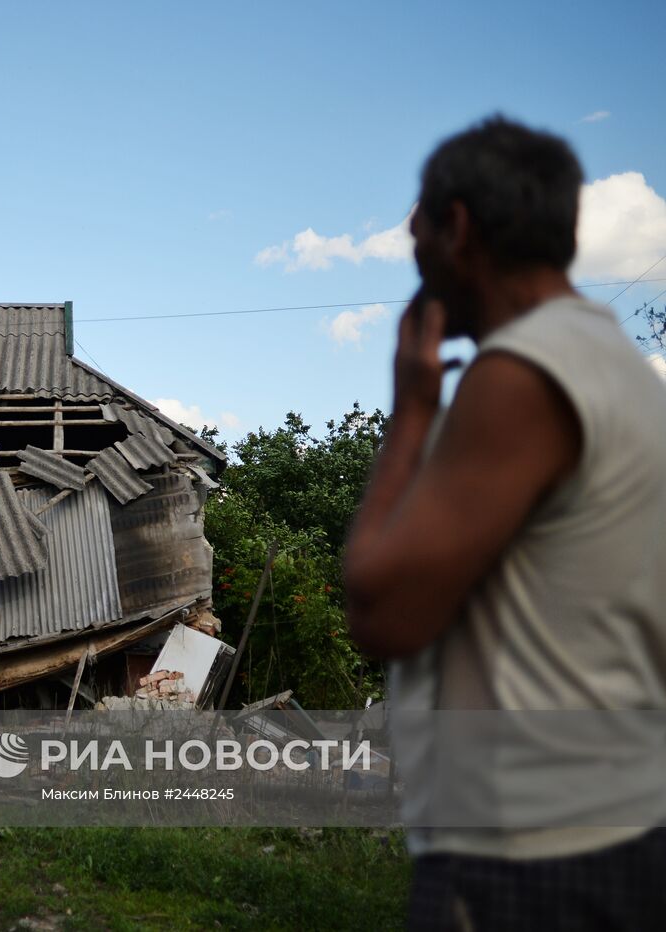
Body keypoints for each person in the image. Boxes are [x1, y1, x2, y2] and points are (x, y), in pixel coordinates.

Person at [344, 116, 666, 929]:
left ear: (457, 228)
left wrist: (413, 408)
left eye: (416, 228)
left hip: (530, 857)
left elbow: (384, 614)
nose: (411, 250)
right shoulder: (617, 371)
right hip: (611, 829)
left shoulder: (521, 374)